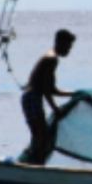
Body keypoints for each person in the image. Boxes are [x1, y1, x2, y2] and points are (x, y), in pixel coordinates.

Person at [20, 29, 76, 165]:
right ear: (59, 42)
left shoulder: (51, 58)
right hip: (32, 97)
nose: (69, 50)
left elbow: (52, 90)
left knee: (40, 135)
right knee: (41, 135)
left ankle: (34, 162)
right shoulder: (52, 59)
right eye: (68, 46)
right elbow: (45, 89)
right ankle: (34, 164)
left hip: (31, 97)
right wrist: (55, 108)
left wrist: (73, 94)